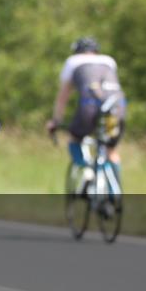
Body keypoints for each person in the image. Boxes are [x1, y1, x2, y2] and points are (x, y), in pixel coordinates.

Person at [46, 37, 126, 190]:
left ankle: (88, 172)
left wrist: (56, 120)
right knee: (111, 150)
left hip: (89, 108)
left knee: (74, 139)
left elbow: (63, 97)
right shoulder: (109, 61)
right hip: (117, 108)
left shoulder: (73, 61)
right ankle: (116, 193)